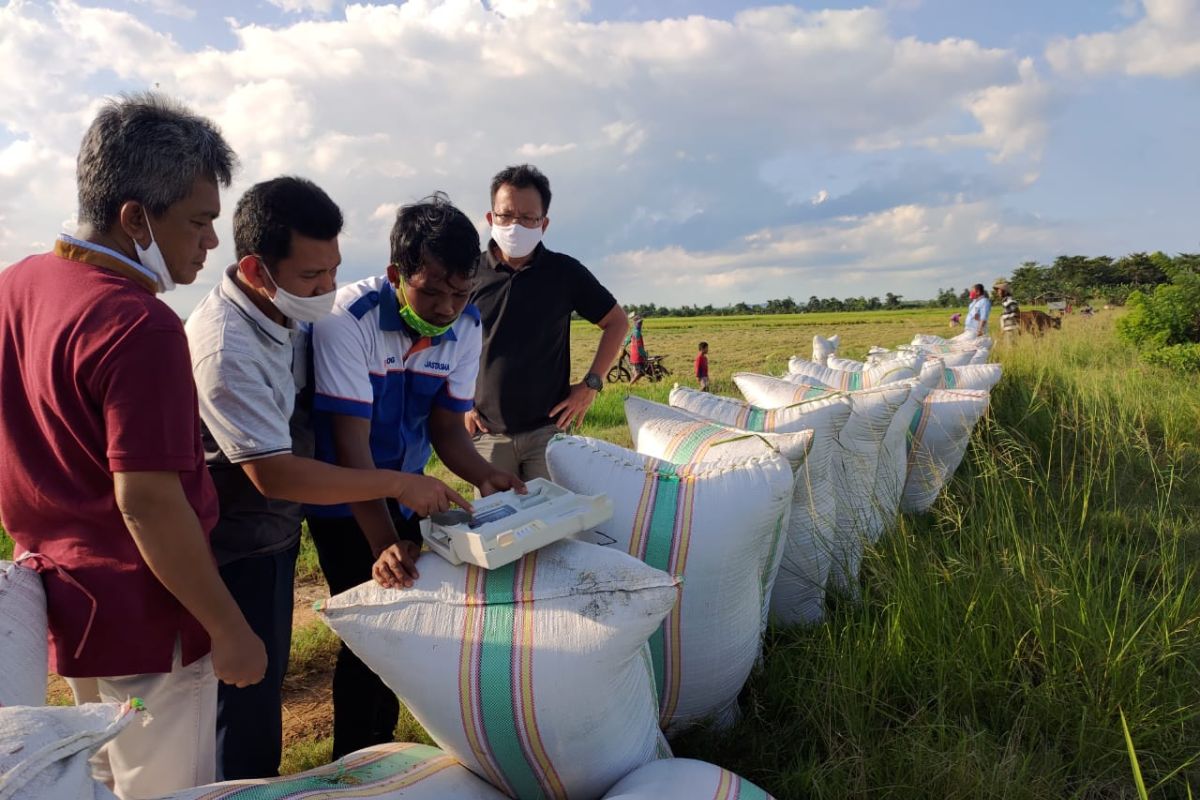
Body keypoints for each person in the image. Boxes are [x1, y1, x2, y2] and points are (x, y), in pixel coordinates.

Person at [0, 93, 266, 799]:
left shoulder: (18, 285)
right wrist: (228, 626)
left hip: (72, 607)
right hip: (154, 629)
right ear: (134, 217)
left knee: (102, 769)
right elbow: (149, 501)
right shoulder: (138, 326)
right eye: (200, 220)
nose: (211, 242)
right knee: (164, 784)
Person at [184, 177, 475, 779]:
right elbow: (276, 471)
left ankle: (334, 769)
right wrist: (395, 496)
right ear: (257, 269)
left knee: (260, 679)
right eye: (313, 277)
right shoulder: (229, 347)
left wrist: (478, 477)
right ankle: (256, 786)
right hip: (239, 534)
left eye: (333, 271)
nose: (329, 290)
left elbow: (444, 429)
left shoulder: (281, 315)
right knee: (244, 687)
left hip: (279, 526)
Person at [306, 194, 523, 760]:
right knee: (372, 628)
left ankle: (385, 749)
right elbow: (351, 452)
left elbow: (448, 429)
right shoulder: (345, 322)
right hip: (342, 498)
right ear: (397, 274)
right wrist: (382, 544)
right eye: (432, 292)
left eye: (460, 292)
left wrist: (486, 476)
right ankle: (356, 760)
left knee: (403, 620)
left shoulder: (466, 323)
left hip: (406, 486)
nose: (447, 308)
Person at [467, 164, 627, 479]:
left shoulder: (564, 273)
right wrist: (458, 405)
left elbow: (617, 322)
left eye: (528, 218)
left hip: (547, 432)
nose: (516, 225)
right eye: (506, 215)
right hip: (486, 434)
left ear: (544, 223)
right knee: (496, 524)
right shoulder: (468, 274)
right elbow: (444, 341)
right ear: (490, 218)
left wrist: (591, 385)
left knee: (551, 524)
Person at [626, 312, 650, 385]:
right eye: (639, 323)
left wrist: (623, 344)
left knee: (635, 372)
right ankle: (629, 385)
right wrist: (644, 355)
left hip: (633, 356)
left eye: (641, 323)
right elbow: (639, 347)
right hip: (637, 356)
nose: (640, 325)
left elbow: (627, 340)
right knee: (641, 373)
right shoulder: (637, 333)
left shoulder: (633, 331)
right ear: (636, 324)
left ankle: (634, 386)